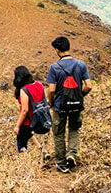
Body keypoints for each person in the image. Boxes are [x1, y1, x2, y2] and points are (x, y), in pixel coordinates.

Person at [46, 36, 93, 173]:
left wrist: (51, 102)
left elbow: (52, 89)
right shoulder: (81, 65)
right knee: (74, 129)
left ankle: (61, 163)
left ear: (57, 50)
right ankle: (71, 154)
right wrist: (80, 95)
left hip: (60, 106)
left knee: (59, 133)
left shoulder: (54, 68)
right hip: (76, 105)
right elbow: (89, 86)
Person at [13, 66, 51, 160]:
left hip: (28, 120)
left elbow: (25, 110)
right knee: (28, 134)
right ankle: (42, 151)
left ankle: (25, 161)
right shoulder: (39, 84)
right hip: (40, 117)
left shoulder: (24, 90)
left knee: (21, 142)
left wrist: (17, 125)